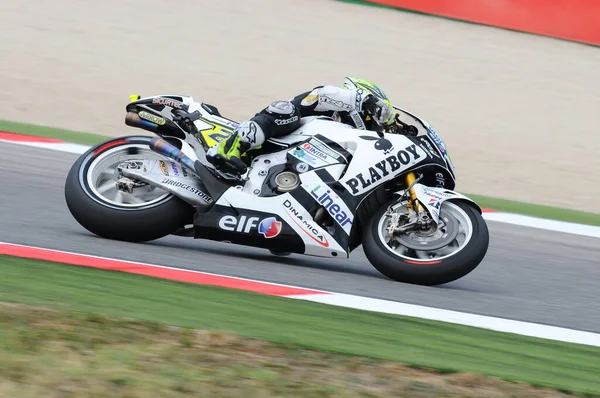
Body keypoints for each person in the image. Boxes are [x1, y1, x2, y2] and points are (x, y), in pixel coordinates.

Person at [206, 77, 397, 174]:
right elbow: (324, 93)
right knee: (286, 111)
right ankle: (229, 148)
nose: (375, 128)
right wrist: (368, 101)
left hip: (283, 166)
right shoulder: (327, 104)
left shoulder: (346, 139)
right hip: (268, 140)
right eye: (374, 118)